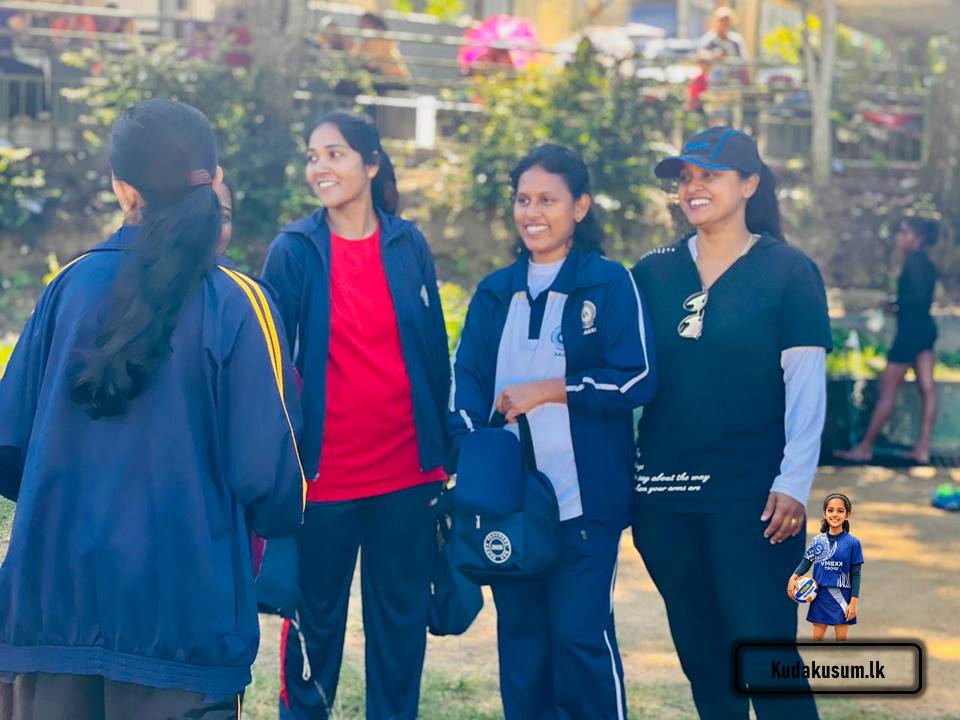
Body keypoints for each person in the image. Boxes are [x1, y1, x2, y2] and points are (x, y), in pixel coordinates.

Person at [0, 98, 305, 718]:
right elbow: (275, 482)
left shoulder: (67, 286)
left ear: (123, 189)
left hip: (53, 615)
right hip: (183, 623)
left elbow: (10, 450)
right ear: (213, 181)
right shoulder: (239, 301)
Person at [448, 143, 656, 719]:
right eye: (523, 199)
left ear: (580, 207)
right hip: (510, 508)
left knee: (579, 640)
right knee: (522, 647)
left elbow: (636, 378)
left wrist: (550, 389)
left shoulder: (609, 284)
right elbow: (465, 386)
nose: (532, 212)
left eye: (548, 199)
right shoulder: (495, 292)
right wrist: (475, 460)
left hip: (583, 506)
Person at [631, 127, 830, 720]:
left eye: (709, 176)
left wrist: (794, 482)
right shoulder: (652, 272)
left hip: (755, 499)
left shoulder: (788, 270)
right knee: (705, 664)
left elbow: (806, 386)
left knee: (765, 658)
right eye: (685, 178)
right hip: (665, 498)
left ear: (748, 184)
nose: (693, 187)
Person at [261, 111, 449, 720]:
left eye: (335, 153)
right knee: (314, 627)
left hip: (408, 475)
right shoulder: (294, 250)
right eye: (312, 155)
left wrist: (444, 450)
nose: (320, 167)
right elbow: (269, 363)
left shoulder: (407, 243)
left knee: (400, 628)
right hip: (325, 480)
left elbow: (433, 350)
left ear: (371, 164)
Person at [836, 218, 940, 465]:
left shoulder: (914, 263)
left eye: (904, 232)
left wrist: (893, 305)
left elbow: (914, 301)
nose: (899, 237)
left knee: (887, 389)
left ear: (918, 237)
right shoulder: (927, 263)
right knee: (927, 388)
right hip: (925, 329)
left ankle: (865, 447)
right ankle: (922, 447)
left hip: (910, 333)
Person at [788, 493, 864, 641]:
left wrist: (853, 602)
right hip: (819, 596)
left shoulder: (853, 543)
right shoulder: (817, 541)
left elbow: (856, 574)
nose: (834, 514)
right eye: (830, 510)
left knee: (841, 640)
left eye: (840, 511)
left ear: (847, 515)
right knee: (817, 641)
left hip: (842, 597)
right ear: (825, 513)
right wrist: (793, 577)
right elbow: (806, 562)